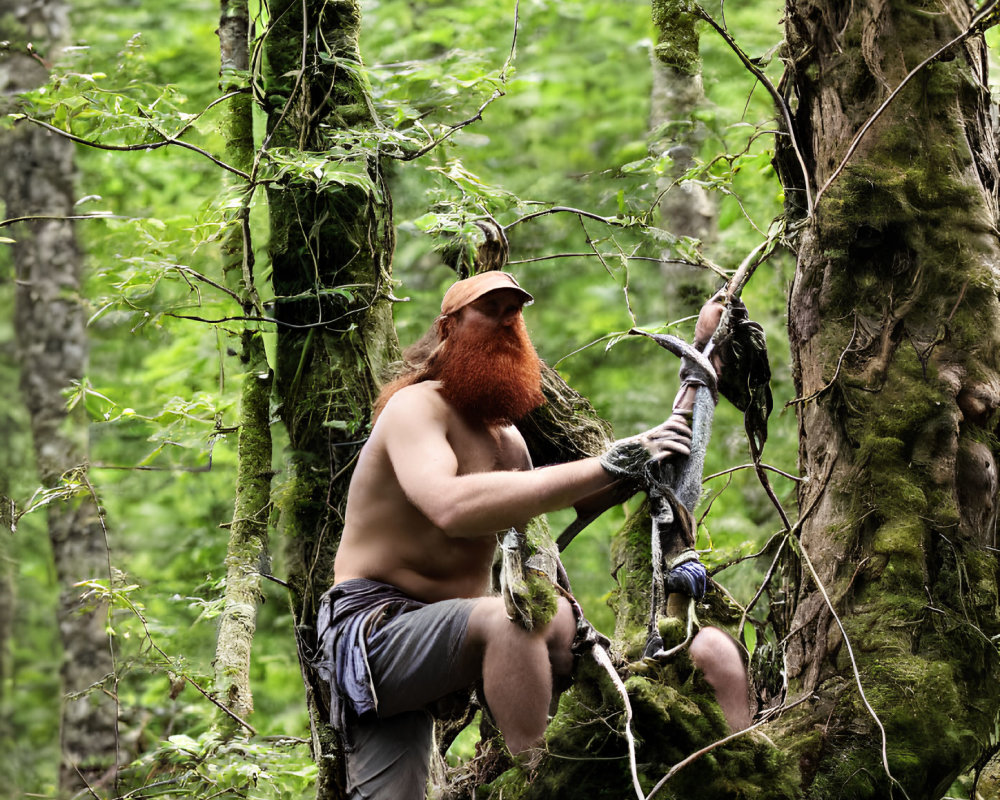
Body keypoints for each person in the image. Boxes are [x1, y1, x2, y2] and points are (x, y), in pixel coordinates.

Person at [314, 271, 750, 800]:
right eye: (490, 309)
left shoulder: (509, 442)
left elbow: (596, 492)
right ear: (447, 329)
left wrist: (700, 362)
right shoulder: (417, 408)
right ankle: (544, 783)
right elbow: (450, 507)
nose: (505, 321)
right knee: (518, 617)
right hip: (376, 633)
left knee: (551, 623)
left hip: (449, 641)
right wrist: (608, 465)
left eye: (514, 312)